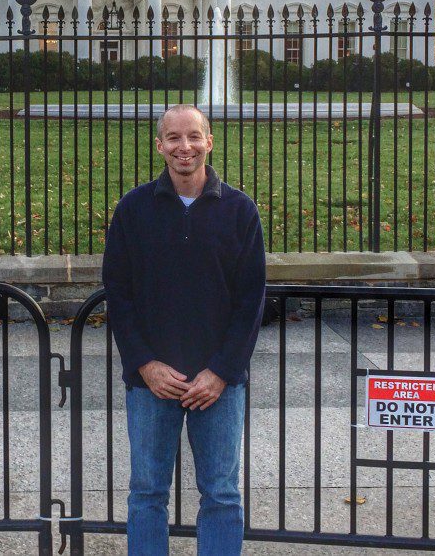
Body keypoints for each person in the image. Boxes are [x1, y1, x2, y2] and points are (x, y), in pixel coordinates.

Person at [102, 104, 266, 556]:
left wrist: (221, 372)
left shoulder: (239, 210)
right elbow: (118, 293)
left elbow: (252, 300)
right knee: (147, 494)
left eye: (193, 136)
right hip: (153, 382)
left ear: (209, 141)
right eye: (173, 138)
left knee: (221, 494)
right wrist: (145, 365)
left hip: (218, 382)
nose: (184, 147)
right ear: (160, 146)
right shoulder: (134, 209)